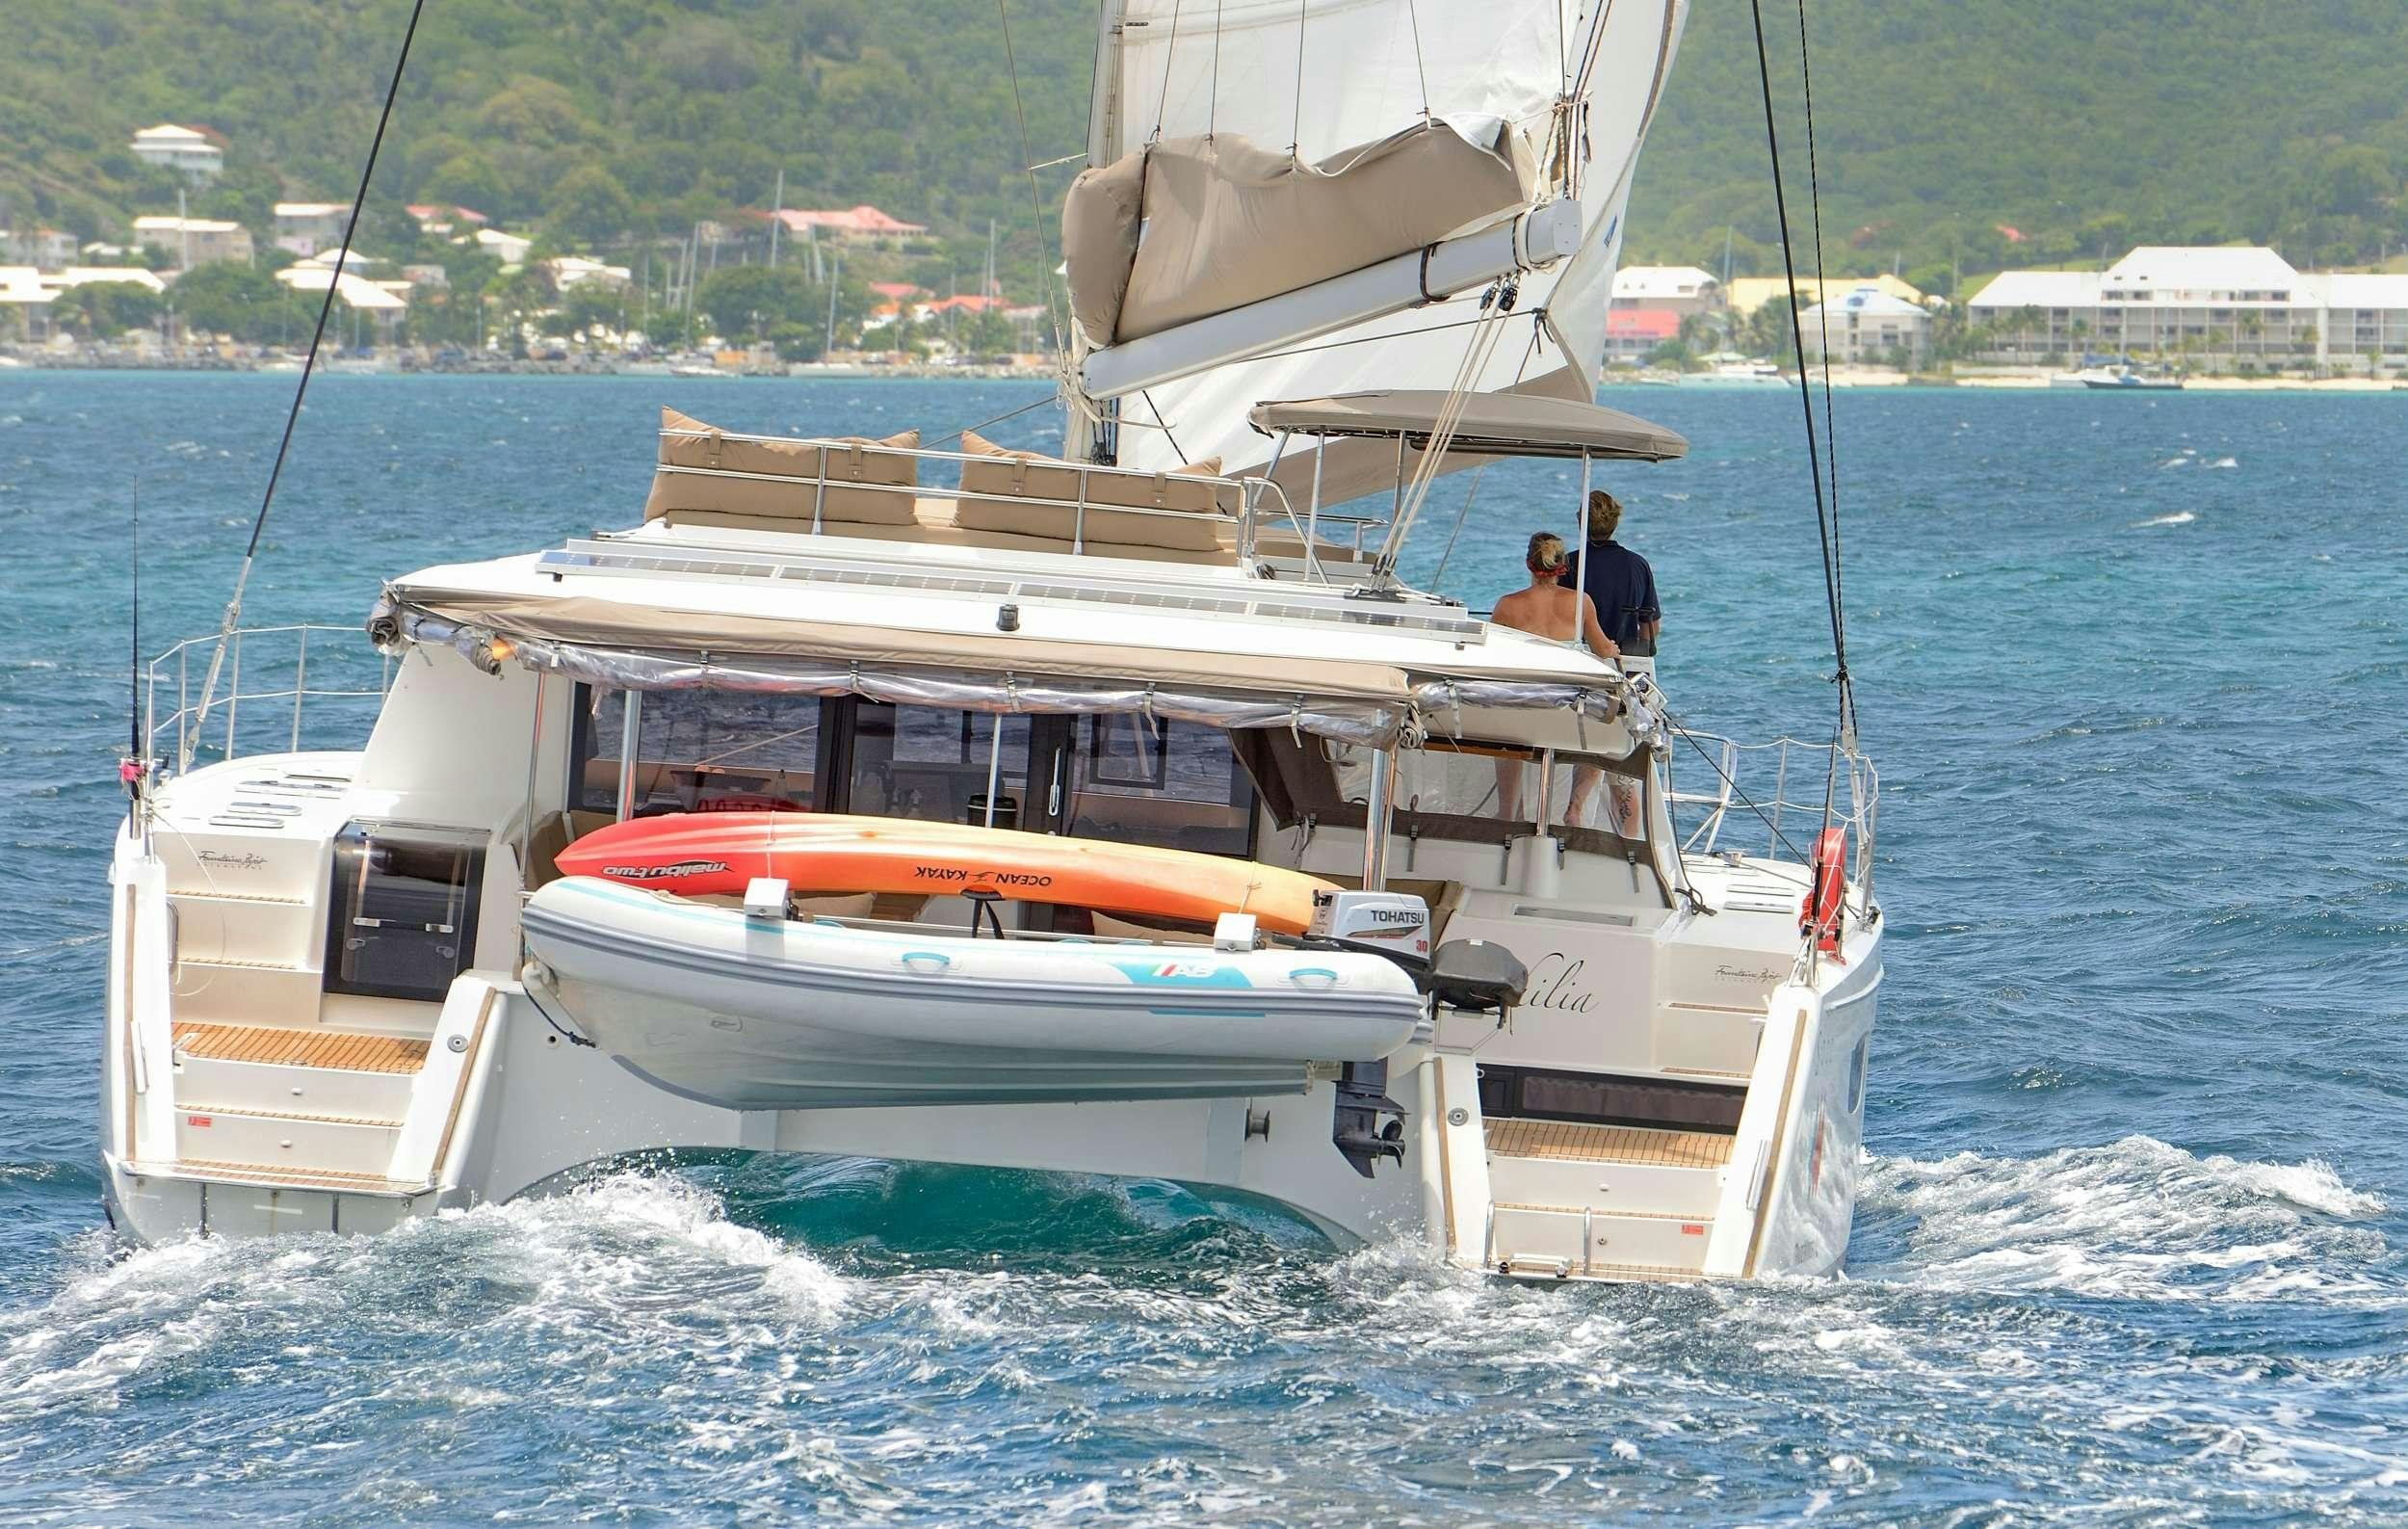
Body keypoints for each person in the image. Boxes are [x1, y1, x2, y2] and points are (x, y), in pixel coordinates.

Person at [1489, 532, 1618, 820]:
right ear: (1563, 568)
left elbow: (1491, 653)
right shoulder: (1580, 602)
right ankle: (1575, 806)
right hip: (1567, 708)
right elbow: (1602, 649)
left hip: (1525, 707)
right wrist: (1613, 647)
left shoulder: (1507, 605)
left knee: (1506, 737)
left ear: (1528, 564)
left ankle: (1508, 811)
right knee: (1600, 735)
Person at [1557, 489, 1661, 658]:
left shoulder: (1570, 564)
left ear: (1580, 522)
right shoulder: (1637, 564)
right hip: (1623, 657)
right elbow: (1651, 627)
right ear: (1615, 522)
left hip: (1579, 658)